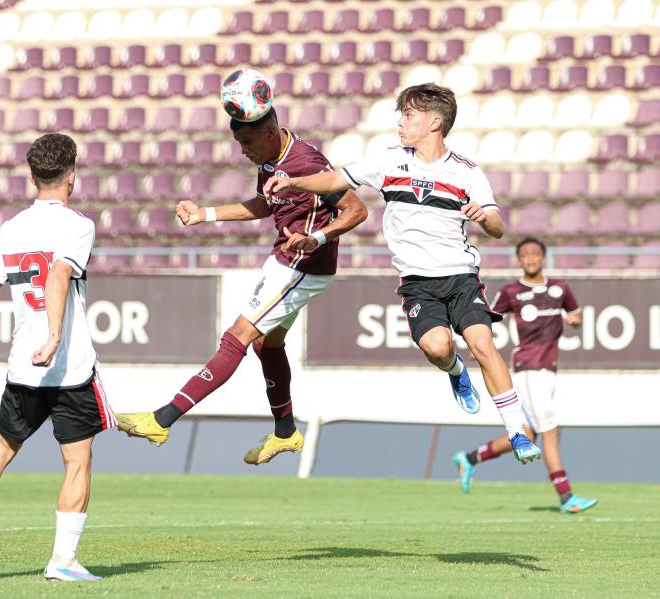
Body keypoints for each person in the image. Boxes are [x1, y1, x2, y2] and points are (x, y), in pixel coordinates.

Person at [263, 83, 542, 464]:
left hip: (460, 276)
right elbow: (334, 181)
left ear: (435, 122)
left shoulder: (467, 172)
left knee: (483, 344)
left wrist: (484, 217)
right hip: (418, 284)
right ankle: (454, 369)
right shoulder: (390, 160)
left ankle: (517, 432)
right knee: (438, 347)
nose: (401, 122)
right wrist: (293, 180)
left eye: (409, 115)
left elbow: (497, 225)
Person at [115, 107, 367, 465]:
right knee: (268, 342)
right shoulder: (269, 160)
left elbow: (356, 210)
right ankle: (286, 433)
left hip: (304, 264)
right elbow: (264, 206)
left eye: (247, 142)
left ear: (271, 132)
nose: (243, 151)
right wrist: (206, 214)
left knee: (238, 336)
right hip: (284, 258)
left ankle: (162, 419)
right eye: (238, 142)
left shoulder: (306, 163)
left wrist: (319, 238)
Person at [0, 133, 113, 581]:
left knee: (1, 449)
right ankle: (62, 562)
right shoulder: (78, 225)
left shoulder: (11, 228)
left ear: (32, 177)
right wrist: (53, 335)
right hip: (67, 368)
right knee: (78, 462)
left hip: (22, 369)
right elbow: (59, 273)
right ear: (72, 175)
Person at [452, 238, 598, 514]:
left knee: (528, 434)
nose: (530, 259)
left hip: (548, 370)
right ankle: (567, 497)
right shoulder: (512, 291)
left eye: (535, 254)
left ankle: (469, 457)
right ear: (519, 260)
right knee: (550, 432)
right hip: (529, 369)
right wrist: (480, 346)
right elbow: (486, 316)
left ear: (544, 258)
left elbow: (575, 314)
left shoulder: (560, 288)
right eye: (525, 255)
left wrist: (575, 321)